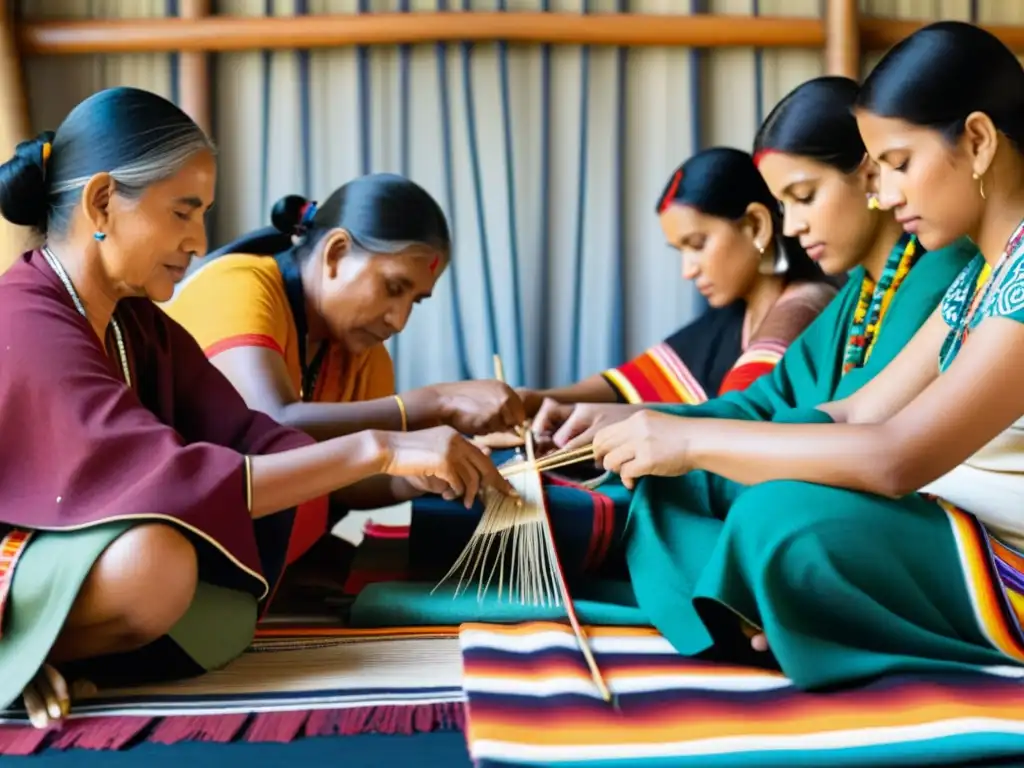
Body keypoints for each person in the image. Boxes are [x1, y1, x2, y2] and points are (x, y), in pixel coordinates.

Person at [0, 86, 516, 727]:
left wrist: (407, 462)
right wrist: (386, 442)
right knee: (154, 564)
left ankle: (40, 649)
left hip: (60, 553)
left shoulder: (139, 324)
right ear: (103, 200)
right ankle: (14, 655)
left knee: (205, 554)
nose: (200, 240)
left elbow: (251, 435)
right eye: (183, 212)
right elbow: (169, 477)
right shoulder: (25, 315)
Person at [582, 20, 1024, 690]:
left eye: (900, 164)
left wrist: (695, 444)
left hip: (1006, 563)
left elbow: (897, 456)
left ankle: (776, 601)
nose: (889, 194)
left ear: (979, 140)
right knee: (759, 494)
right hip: (955, 522)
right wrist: (675, 434)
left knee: (780, 520)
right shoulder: (978, 279)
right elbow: (852, 414)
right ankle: (783, 605)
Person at [164, 174, 526, 510]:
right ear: (335, 254)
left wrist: (419, 474)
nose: (398, 320)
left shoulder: (366, 354)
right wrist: (436, 403)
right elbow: (269, 423)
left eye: (414, 301)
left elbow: (340, 481)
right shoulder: (237, 286)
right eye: (393, 287)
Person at [521, 147, 836, 428]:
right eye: (681, 251)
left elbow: (731, 418)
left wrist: (610, 422)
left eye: (698, 244)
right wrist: (533, 401)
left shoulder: (804, 306)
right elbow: (629, 384)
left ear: (756, 225)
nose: (688, 271)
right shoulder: (733, 316)